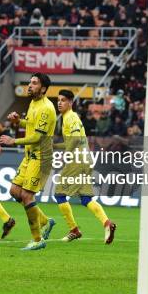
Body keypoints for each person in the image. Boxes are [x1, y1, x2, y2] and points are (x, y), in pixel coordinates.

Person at [0, 73, 57, 250]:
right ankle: (46, 221)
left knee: (26, 196)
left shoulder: (46, 108)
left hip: (41, 157)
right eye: (30, 82)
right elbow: (31, 125)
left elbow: (38, 137)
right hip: (30, 156)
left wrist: (13, 141)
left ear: (44, 89)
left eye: (34, 83)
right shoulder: (33, 103)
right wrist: (19, 122)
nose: (30, 85)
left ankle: (37, 239)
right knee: (15, 191)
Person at [54, 90, 116, 244]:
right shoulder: (67, 117)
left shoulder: (71, 117)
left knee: (59, 194)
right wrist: (54, 145)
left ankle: (74, 230)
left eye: (63, 100)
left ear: (71, 103)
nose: (60, 103)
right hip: (85, 159)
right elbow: (73, 141)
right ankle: (107, 223)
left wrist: (66, 154)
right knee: (86, 198)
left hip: (77, 160)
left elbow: (74, 140)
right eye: (58, 100)